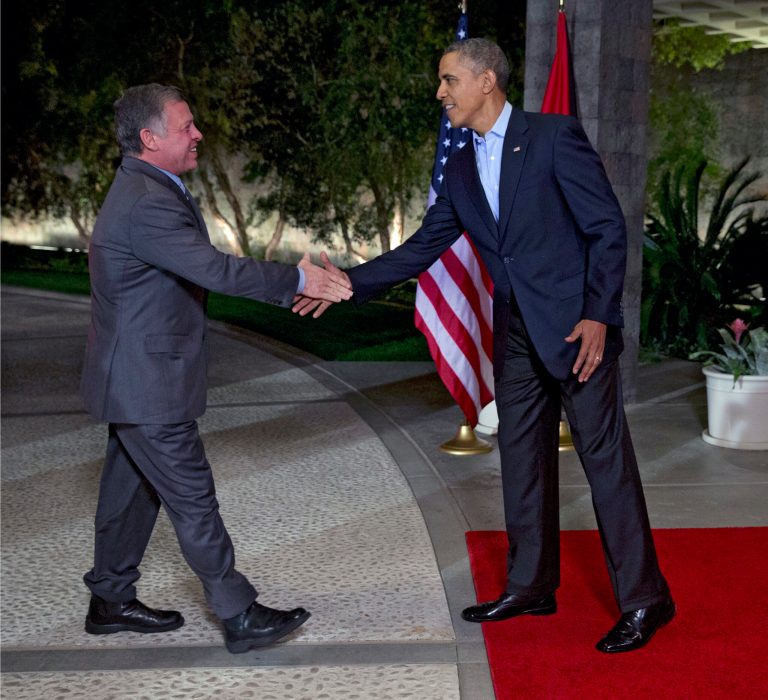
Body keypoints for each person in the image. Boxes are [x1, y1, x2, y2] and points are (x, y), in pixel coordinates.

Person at [294, 39, 674, 653]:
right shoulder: (464, 166)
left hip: (578, 330)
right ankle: (530, 586)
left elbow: (606, 226)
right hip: (516, 333)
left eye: (448, 80)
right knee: (521, 460)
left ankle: (645, 600)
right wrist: (349, 284)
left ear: (487, 80)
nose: (441, 92)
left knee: (606, 465)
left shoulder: (554, 137)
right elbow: (426, 245)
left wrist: (600, 315)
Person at [80, 83, 352, 654]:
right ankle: (239, 613)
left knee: (130, 494)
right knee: (192, 496)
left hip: (133, 377)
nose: (198, 133)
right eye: (186, 126)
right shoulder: (146, 202)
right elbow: (216, 271)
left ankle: (109, 600)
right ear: (150, 138)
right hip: (147, 383)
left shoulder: (145, 187)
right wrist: (299, 280)